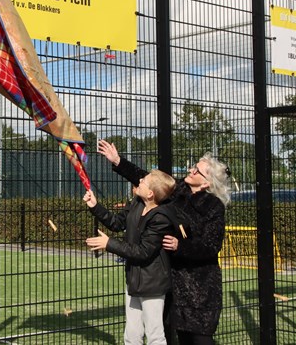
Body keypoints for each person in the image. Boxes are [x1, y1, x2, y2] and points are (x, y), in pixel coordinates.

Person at [98, 139, 231, 345]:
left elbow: (212, 245)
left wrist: (181, 246)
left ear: (207, 183)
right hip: (173, 279)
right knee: (172, 334)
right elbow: (149, 181)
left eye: (198, 170)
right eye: (194, 166)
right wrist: (118, 161)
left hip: (200, 284)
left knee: (199, 338)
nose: (191, 170)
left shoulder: (213, 206)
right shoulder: (178, 191)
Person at [84, 169, 177, 345]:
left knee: (155, 335)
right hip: (134, 278)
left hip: (153, 283)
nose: (140, 180)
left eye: (145, 180)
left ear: (150, 193)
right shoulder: (137, 203)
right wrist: (95, 205)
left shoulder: (161, 217)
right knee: (132, 334)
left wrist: (109, 244)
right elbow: (116, 222)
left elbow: (143, 252)